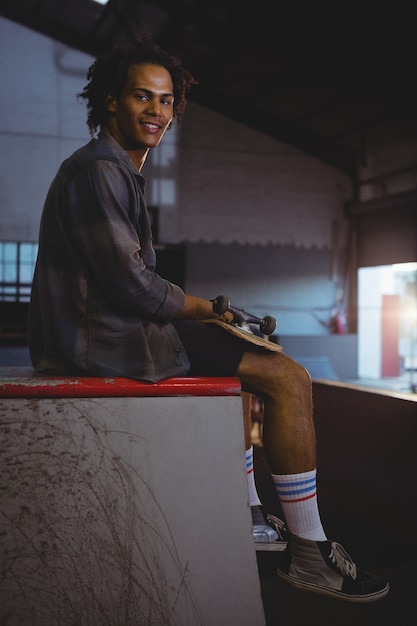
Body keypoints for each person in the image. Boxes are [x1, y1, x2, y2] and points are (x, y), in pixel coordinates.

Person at [28, 35, 389, 603]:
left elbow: (133, 286)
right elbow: (131, 288)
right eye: (142, 97)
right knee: (288, 377)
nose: (156, 111)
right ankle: (310, 553)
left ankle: (248, 516)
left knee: (247, 353)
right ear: (113, 102)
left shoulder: (116, 170)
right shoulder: (99, 171)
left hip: (113, 333)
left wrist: (219, 321)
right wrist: (211, 309)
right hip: (101, 345)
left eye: (166, 100)